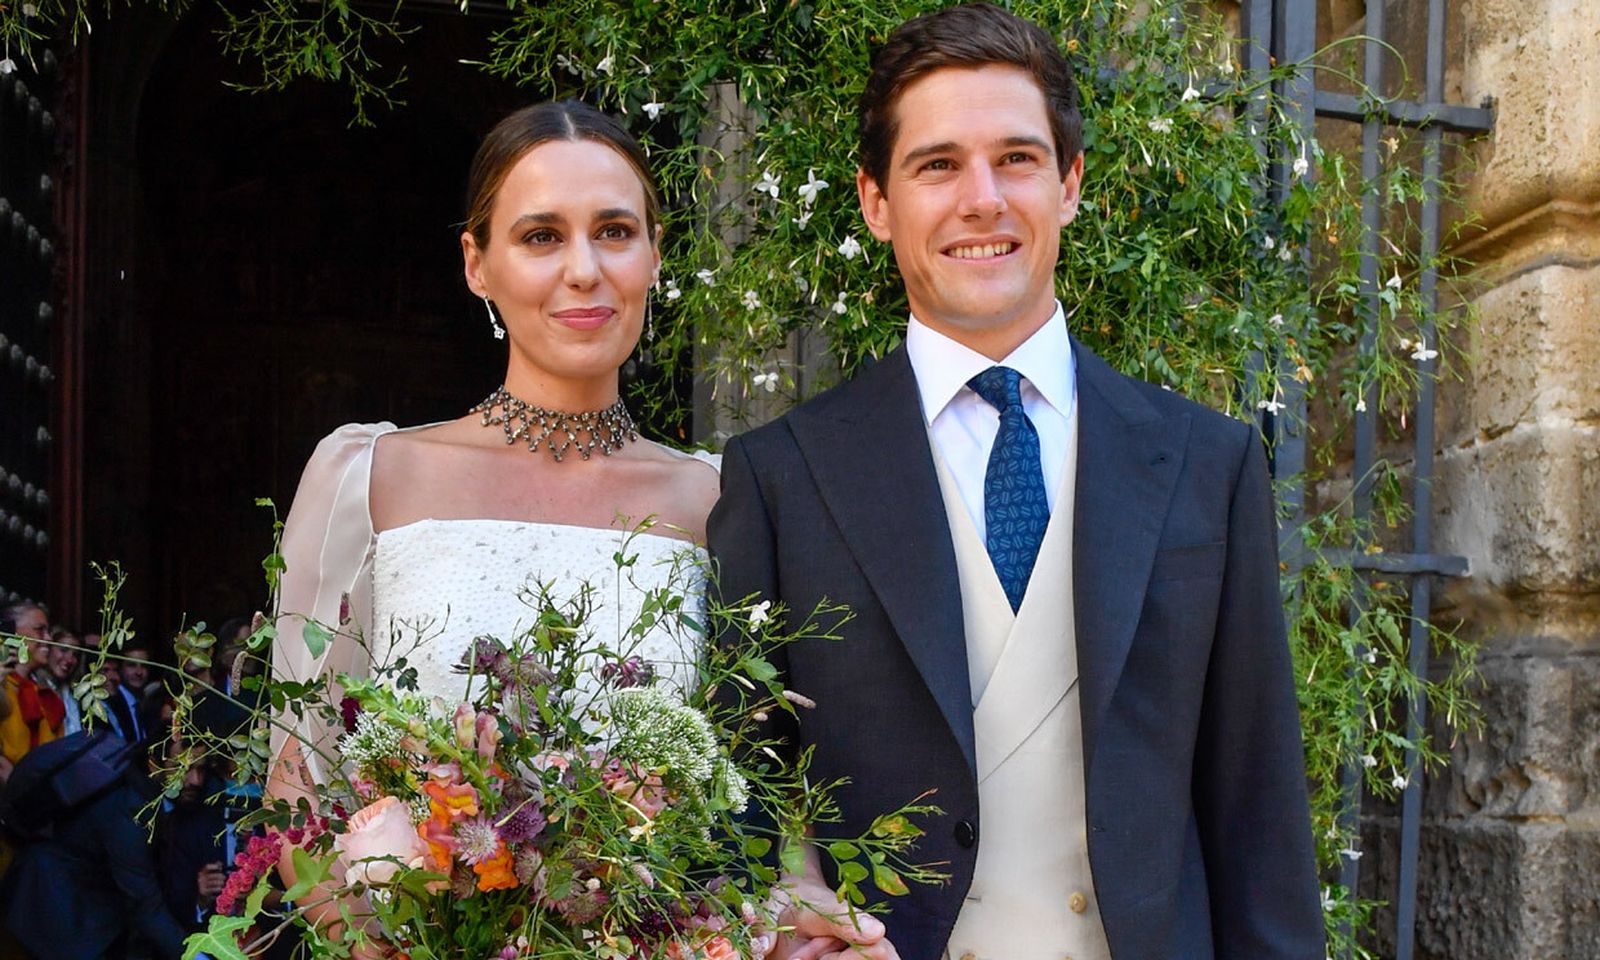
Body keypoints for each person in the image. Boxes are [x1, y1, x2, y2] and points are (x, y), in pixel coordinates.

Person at [707, 6, 1323, 960]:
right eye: (937, 164)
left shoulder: (1210, 461)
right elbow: (738, 795)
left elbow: (1257, 807)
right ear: (877, 203)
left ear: (1070, 185)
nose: (982, 198)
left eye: (1019, 159)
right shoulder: (782, 476)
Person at [268, 99, 720, 953]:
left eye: (616, 231)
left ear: (655, 255)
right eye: (542, 236)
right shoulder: (371, 474)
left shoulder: (717, 499)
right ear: (478, 263)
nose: (584, 270)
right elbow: (299, 784)